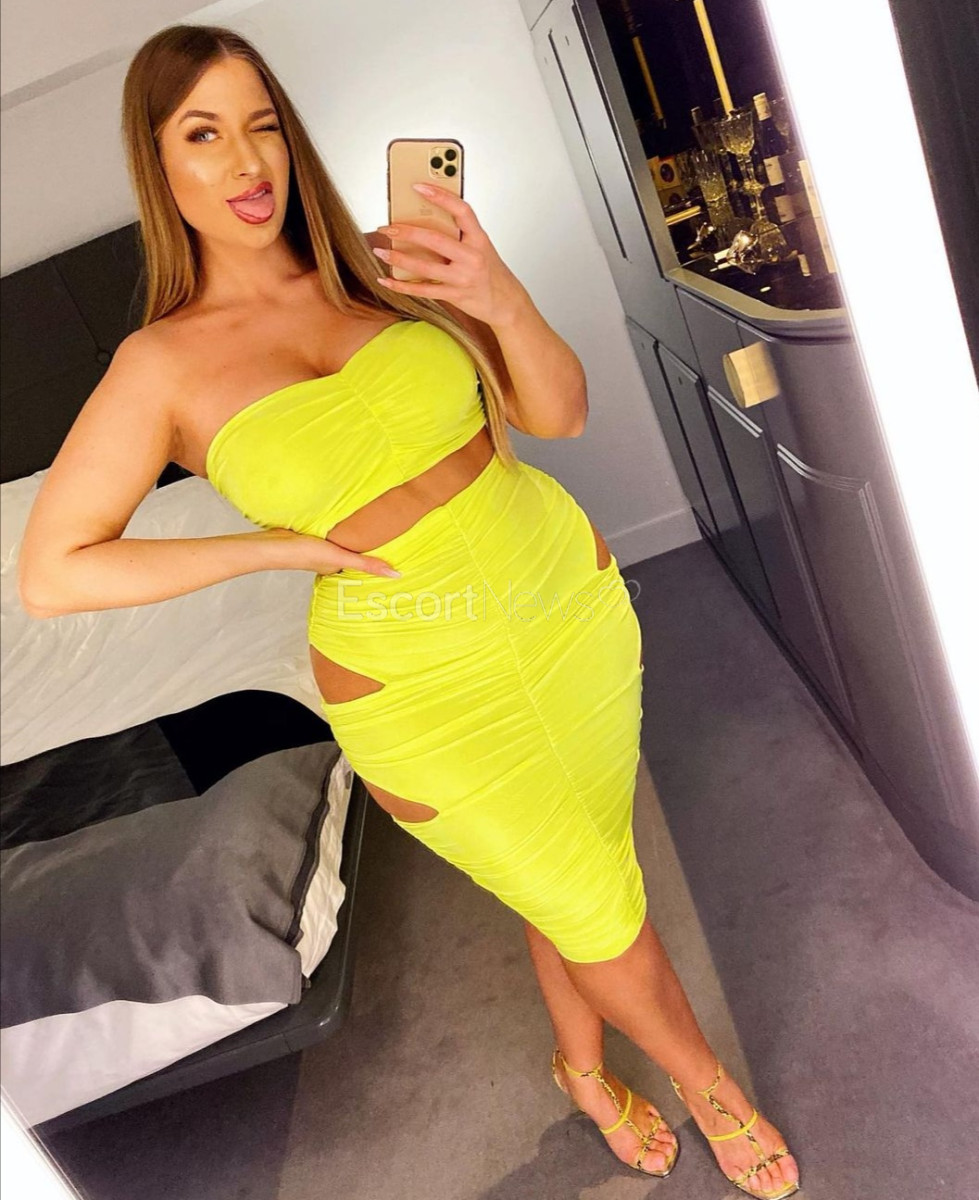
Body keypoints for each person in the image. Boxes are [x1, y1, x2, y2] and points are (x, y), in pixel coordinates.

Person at [16, 24, 800, 1199]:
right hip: (422, 696)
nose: (247, 160)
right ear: (160, 165)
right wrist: (272, 548)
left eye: (262, 125)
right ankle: (710, 1088)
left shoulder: (383, 272)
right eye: (204, 134)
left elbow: (556, 411)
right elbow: (53, 571)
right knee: (595, 905)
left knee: (579, 873)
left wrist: (496, 293)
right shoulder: (157, 367)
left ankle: (582, 1073)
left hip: (566, 611)